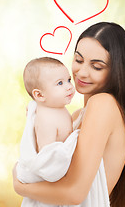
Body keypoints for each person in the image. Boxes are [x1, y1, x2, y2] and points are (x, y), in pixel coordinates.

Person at [13, 22, 125, 207]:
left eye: (96, 66)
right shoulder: (76, 115)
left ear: (116, 70)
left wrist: (20, 185)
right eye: (78, 60)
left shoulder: (103, 104)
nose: (82, 72)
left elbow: (75, 193)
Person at [17, 57, 81, 206]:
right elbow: (48, 160)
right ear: (39, 95)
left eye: (68, 80)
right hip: (48, 187)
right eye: (60, 83)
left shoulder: (57, 108)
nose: (69, 87)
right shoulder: (46, 119)